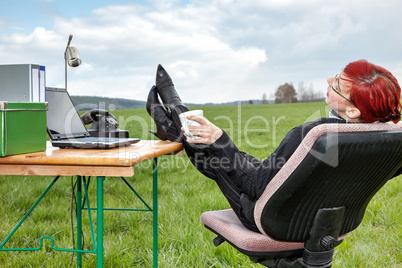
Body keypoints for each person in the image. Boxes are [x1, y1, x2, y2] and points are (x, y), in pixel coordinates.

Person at [146, 60, 402, 232]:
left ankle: (176, 120)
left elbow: (255, 187)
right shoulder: (390, 140)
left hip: (273, 220)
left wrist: (218, 137)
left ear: (354, 110)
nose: (327, 80)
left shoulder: (315, 134)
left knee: (218, 157)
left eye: (335, 84)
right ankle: (176, 118)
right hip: (334, 222)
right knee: (239, 159)